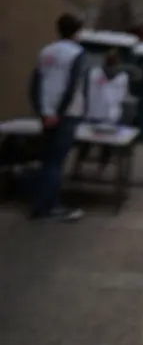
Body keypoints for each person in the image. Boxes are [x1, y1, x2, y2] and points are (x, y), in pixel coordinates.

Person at [29, 13, 86, 221]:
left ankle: (40, 203)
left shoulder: (46, 51)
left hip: (46, 112)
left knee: (47, 160)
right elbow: (71, 87)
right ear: (76, 31)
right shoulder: (76, 53)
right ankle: (50, 206)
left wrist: (43, 111)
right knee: (56, 162)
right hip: (65, 114)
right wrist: (59, 113)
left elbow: (35, 83)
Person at [72, 49, 129, 179]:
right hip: (94, 114)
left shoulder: (122, 77)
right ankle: (78, 167)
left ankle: (99, 170)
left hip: (110, 116)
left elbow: (122, 96)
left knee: (106, 146)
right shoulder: (94, 73)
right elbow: (84, 92)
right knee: (85, 145)